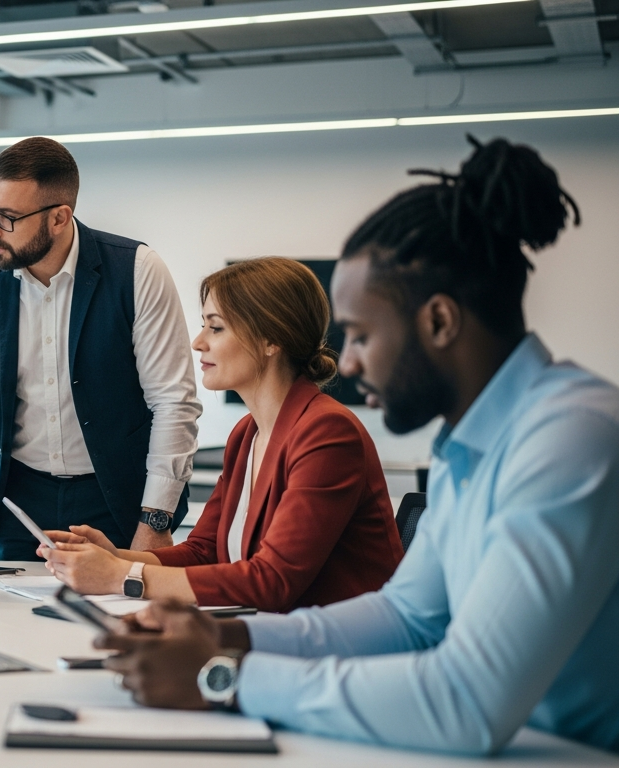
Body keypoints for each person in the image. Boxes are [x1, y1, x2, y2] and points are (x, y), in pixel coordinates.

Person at [97, 137, 619, 754]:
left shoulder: (571, 438)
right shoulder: (470, 445)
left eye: (364, 334)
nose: (346, 360)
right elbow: (407, 617)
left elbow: (466, 703)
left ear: (440, 322)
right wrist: (226, 642)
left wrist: (222, 677)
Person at [0, 137, 201, 564]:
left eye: (8, 217)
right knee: (8, 624)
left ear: (59, 217)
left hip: (120, 501)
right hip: (20, 502)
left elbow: (173, 403)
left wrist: (156, 523)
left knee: (117, 626)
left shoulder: (137, 270)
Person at [40, 258, 402, 612]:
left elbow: (272, 582)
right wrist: (113, 558)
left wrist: (122, 575)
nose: (198, 342)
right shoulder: (248, 433)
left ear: (271, 340)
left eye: (216, 328)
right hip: (277, 635)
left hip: (340, 651)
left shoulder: (328, 432)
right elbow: (205, 551)